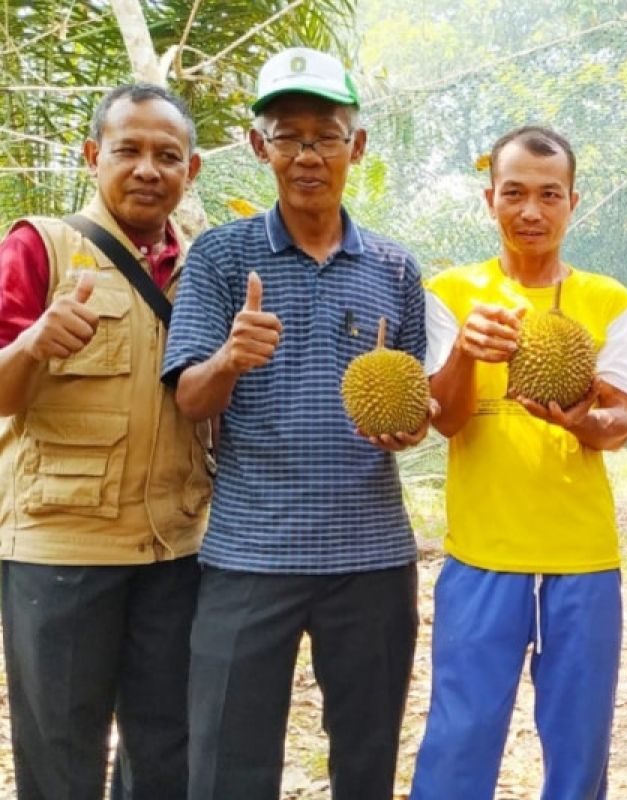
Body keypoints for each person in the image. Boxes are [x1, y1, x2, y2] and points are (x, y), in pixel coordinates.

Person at [161, 48, 430, 800]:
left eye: (326, 135)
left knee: (366, 758)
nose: (307, 155)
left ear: (358, 146)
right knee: (227, 766)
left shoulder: (395, 268)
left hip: (371, 557)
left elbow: (412, 411)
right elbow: (189, 399)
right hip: (250, 554)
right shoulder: (219, 257)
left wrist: (406, 428)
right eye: (287, 136)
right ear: (259, 147)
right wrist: (229, 360)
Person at [408, 126, 627, 800]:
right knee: (460, 735)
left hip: (582, 555)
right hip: (482, 551)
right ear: (490, 200)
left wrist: (583, 422)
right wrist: (465, 354)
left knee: (578, 740)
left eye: (548, 195)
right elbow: (445, 419)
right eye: (514, 194)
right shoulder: (452, 293)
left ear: (572, 202)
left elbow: (619, 423)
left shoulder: (608, 301)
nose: (531, 211)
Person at [0, 84, 207, 799]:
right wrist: (31, 346)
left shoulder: (201, 271)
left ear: (192, 170)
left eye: (167, 155)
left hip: (173, 549)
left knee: (165, 746)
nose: (148, 169)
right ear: (94, 156)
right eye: (128, 150)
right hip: (61, 551)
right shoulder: (39, 246)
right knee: (60, 749)